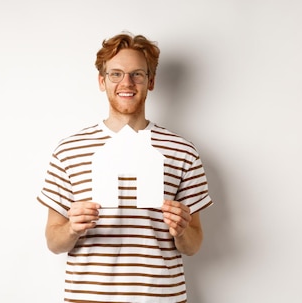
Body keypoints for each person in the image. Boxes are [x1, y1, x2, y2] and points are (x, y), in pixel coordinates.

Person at [36, 32, 213, 303]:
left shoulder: (183, 151)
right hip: (88, 297)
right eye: (115, 74)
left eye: (137, 74)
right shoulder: (68, 151)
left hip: (160, 297)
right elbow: (53, 240)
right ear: (102, 81)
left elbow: (194, 243)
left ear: (150, 81)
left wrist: (181, 230)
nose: (126, 82)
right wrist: (72, 227)